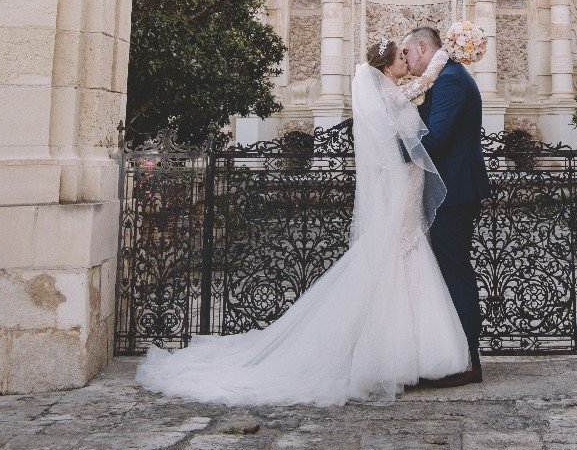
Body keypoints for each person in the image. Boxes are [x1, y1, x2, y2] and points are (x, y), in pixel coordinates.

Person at [135, 40, 465, 406]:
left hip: (405, 182)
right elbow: (423, 85)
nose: (407, 61)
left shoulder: (389, 90)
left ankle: (406, 351)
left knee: (403, 253)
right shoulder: (390, 94)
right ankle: (395, 354)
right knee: (399, 252)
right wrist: (443, 55)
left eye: (409, 55)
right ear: (387, 67)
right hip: (399, 184)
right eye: (401, 56)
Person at [401, 26, 491, 388]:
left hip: (455, 192)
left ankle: (468, 361)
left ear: (424, 47)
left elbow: (437, 139)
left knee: (455, 272)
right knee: (447, 271)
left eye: (408, 52)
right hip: (450, 190)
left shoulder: (452, 79)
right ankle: (452, 355)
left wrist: (390, 154)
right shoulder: (445, 77)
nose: (406, 61)